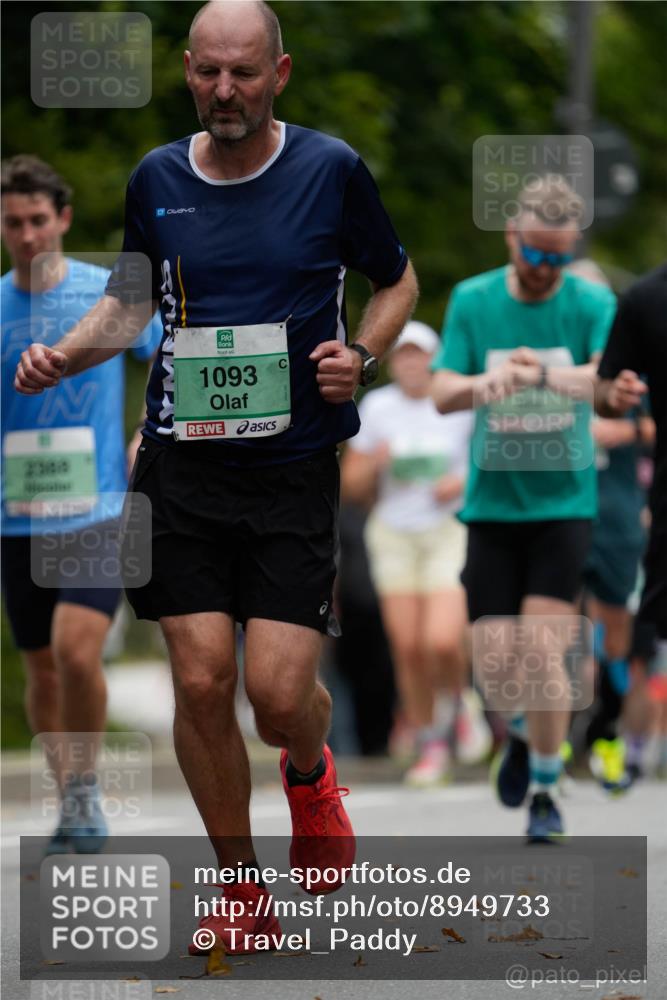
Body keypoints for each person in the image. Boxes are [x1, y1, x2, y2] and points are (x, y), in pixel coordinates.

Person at [14, 0, 418, 952]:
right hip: (181, 468)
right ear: (188, 71)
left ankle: (310, 773)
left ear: (279, 73)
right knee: (200, 682)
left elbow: (396, 281)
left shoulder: (329, 169)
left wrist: (359, 356)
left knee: (276, 699)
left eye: (243, 73)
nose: (224, 91)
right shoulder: (156, 177)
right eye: (207, 72)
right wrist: (64, 356)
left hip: (291, 470)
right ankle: (240, 887)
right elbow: (127, 307)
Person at [431, 176, 616, 842]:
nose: (543, 269)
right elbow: (441, 392)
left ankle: (544, 787)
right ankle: (513, 731)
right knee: (496, 663)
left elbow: (607, 384)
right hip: (491, 506)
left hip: (563, 503)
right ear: (511, 235)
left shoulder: (591, 302)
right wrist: (491, 381)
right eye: (534, 253)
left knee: (544, 651)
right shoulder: (473, 299)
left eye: (557, 258)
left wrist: (539, 375)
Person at [1, 155, 161, 853]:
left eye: (38, 219)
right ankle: (70, 794)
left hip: (97, 507)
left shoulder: (104, 295)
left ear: (62, 219)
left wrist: (146, 430)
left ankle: (88, 784)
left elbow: (166, 354)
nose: (27, 235)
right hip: (17, 514)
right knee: (41, 665)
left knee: (74, 648)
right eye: (13, 222)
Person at [341, 320, 489, 786]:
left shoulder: (457, 405)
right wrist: (376, 463)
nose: (412, 363)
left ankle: (459, 701)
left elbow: (490, 464)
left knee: (440, 639)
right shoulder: (378, 407)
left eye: (420, 354)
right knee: (407, 647)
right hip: (393, 534)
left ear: (435, 359)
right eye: (403, 355)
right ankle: (430, 742)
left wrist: (460, 483)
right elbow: (350, 485)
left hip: (447, 530)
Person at [595, 262, 667, 779]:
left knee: (622, 634)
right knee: (564, 631)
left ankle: (619, 730)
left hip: (622, 510)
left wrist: (627, 431)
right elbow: (606, 391)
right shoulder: (644, 300)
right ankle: (557, 741)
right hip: (563, 508)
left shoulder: (634, 323)